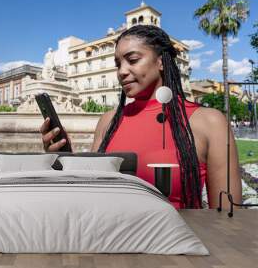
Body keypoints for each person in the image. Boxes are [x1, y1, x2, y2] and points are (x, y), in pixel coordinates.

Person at [39, 25, 241, 210]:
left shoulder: (209, 122)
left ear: (161, 62)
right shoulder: (108, 122)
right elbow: (92, 194)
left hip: (177, 244)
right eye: (118, 64)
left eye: (133, 60)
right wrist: (63, 160)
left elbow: (228, 217)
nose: (122, 71)